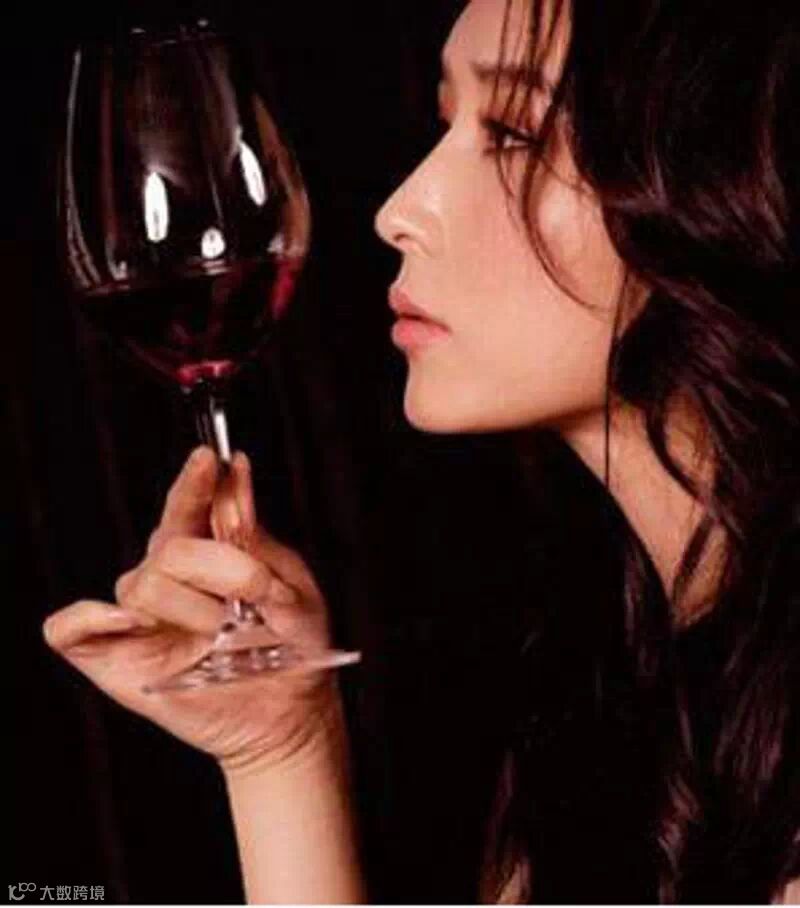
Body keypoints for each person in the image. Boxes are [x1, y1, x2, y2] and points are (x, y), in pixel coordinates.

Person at [42, 0, 800, 902]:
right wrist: (279, 750)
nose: (398, 211)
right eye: (448, 125)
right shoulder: (611, 692)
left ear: (729, 182)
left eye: (511, 134)